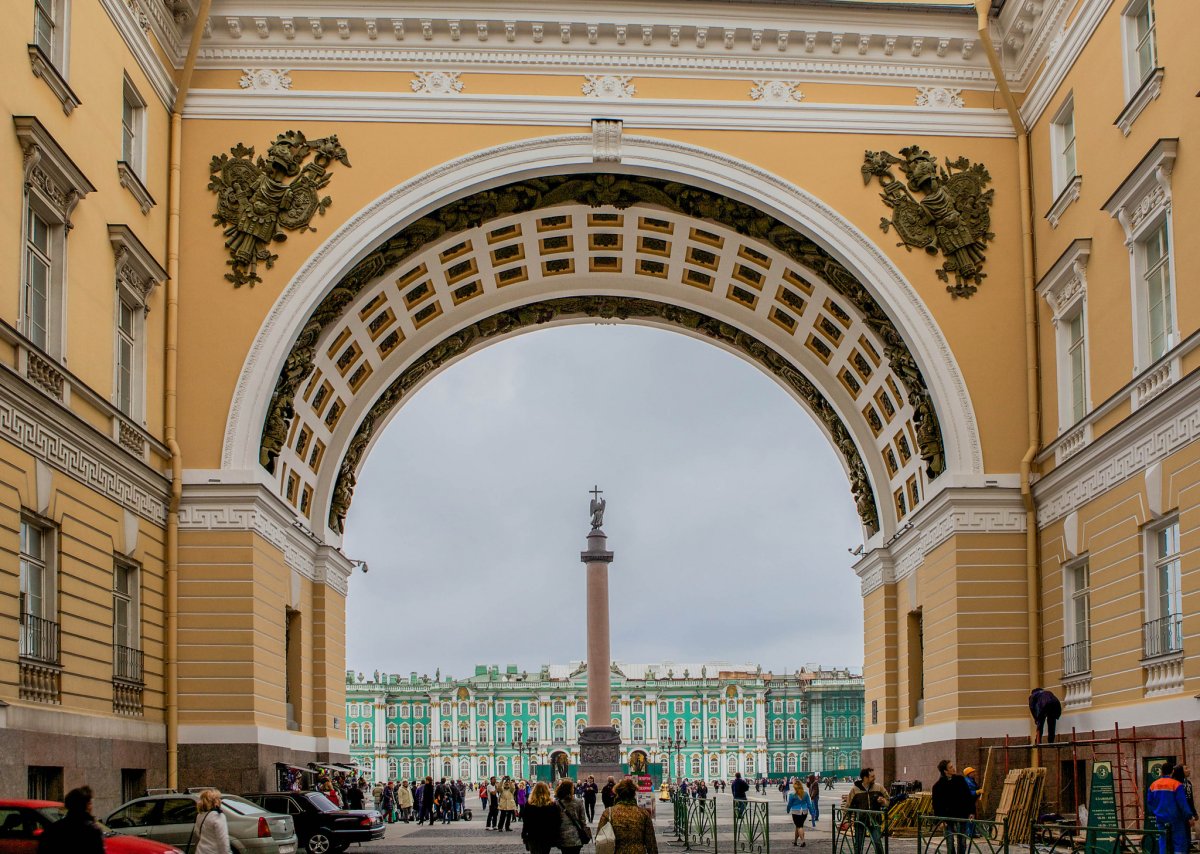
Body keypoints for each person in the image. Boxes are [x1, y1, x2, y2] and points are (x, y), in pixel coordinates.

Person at [596, 777, 659, 854]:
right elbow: (651, 842)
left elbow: (599, 838)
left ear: (618, 794)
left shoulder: (609, 813)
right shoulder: (643, 813)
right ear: (634, 794)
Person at [37, 785, 104, 854]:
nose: (91, 807)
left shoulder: (51, 830)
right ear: (86, 806)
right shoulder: (92, 831)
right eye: (90, 803)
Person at [931, 760, 976, 854]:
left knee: (962, 841)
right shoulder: (938, 786)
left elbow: (968, 797)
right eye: (950, 767)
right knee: (950, 842)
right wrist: (939, 821)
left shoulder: (960, 780)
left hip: (961, 815)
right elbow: (936, 805)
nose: (953, 768)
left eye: (952, 766)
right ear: (945, 771)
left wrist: (971, 812)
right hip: (947, 818)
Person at [1149, 765, 1195, 854]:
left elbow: (1150, 803)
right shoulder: (1176, 785)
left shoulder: (1153, 785)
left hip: (1160, 818)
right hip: (1176, 818)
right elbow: (1182, 803)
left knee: (1163, 840)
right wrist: (1189, 816)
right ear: (1172, 772)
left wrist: (1156, 813)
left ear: (1161, 772)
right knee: (1179, 842)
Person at [845, 768, 888, 854]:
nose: (874, 778)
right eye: (872, 776)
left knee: (877, 842)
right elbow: (848, 806)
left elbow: (888, 801)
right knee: (859, 844)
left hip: (874, 820)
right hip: (860, 821)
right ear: (865, 778)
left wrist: (883, 801)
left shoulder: (879, 787)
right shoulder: (855, 790)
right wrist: (847, 820)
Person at [189, 789, 231, 854]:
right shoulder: (218, 816)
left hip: (200, 850)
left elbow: (198, 833)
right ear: (214, 801)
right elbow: (223, 839)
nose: (220, 800)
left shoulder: (200, 815)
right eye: (218, 798)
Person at [555, 779, 590, 854]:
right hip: (576, 836)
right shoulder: (579, 802)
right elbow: (583, 821)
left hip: (563, 836)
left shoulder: (557, 803)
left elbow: (556, 821)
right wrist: (585, 832)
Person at [786, 779, 814, 847]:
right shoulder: (806, 794)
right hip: (804, 812)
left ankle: (803, 841)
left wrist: (788, 810)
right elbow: (809, 804)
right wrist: (812, 812)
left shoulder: (792, 795)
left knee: (799, 826)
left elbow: (789, 804)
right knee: (798, 826)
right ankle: (795, 841)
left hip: (796, 812)